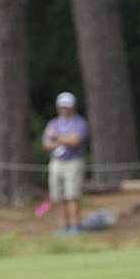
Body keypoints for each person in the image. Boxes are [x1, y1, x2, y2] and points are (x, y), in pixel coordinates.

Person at [42, 91, 89, 235]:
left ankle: (75, 225)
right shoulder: (53, 123)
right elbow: (46, 144)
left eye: (67, 106)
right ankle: (64, 226)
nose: (64, 109)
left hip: (73, 162)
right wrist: (65, 140)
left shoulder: (80, 122)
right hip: (56, 162)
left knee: (72, 195)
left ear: (73, 107)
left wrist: (56, 137)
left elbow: (75, 141)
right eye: (62, 106)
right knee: (59, 196)